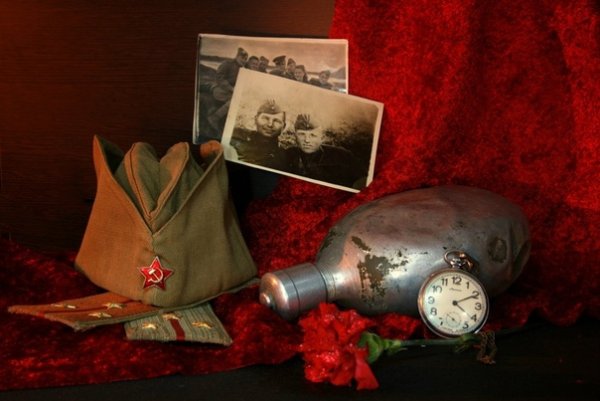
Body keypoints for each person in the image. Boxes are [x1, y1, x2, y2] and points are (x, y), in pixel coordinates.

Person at [288, 114, 366, 189]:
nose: (307, 140)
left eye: (313, 135)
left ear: (322, 138)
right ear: (295, 136)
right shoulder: (287, 155)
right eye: (302, 134)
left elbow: (363, 181)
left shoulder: (342, 156)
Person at [229, 99, 292, 170]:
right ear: (256, 119)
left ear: (284, 126)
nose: (270, 124)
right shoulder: (235, 136)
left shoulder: (284, 157)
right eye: (265, 118)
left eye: (276, 121)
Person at [207, 47, 248, 132]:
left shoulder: (242, 69)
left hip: (230, 92)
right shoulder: (227, 64)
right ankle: (214, 118)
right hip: (219, 89)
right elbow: (219, 78)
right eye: (242, 58)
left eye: (245, 59)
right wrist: (231, 88)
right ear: (237, 56)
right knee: (235, 100)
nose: (244, 60)